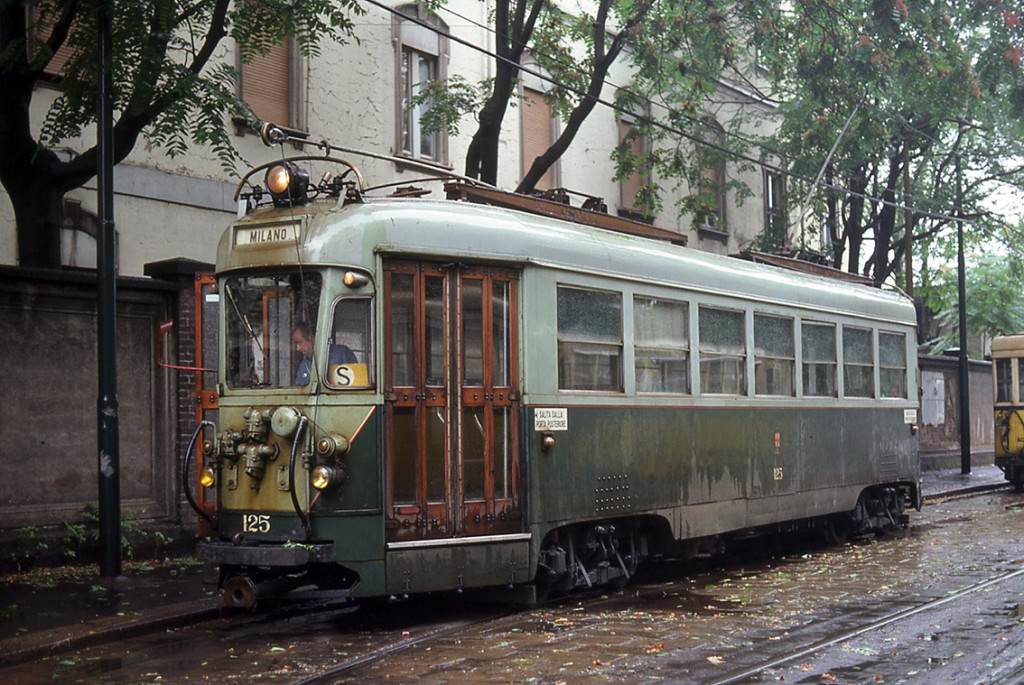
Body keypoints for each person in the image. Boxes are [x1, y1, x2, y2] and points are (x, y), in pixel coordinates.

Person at [292, 322, 357, 385]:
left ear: (311, 338)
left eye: (300, 342)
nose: (298, 348)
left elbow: (357, 382)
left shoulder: (342, 353)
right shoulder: (303, 367)